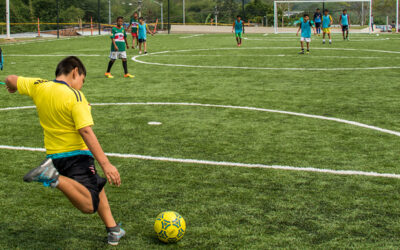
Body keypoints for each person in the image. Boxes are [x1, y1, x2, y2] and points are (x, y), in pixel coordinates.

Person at [3, 56, 125, 246]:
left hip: (55, 156)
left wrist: (12, 86)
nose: (81, 86)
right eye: (82, 81)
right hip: (76, 156)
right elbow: (85, 130)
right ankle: (53, 177)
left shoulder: (39, 86)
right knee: (89, 204)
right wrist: (107, 164)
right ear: (75, 72)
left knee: (96, 186)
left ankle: (113, 229)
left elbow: (10, 78)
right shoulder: (75, 96)